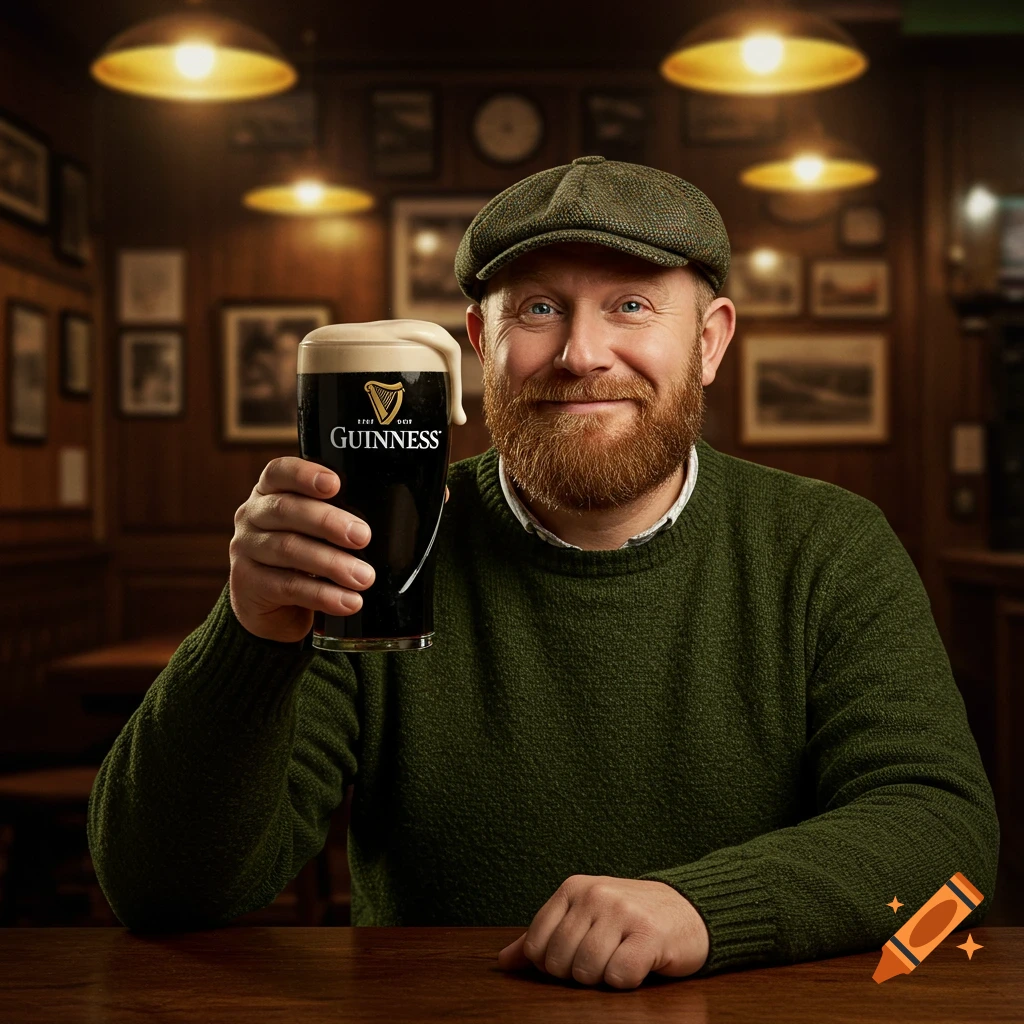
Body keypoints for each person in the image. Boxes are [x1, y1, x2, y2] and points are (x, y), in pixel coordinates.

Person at [87, 156, 999, 990]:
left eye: (632, 306)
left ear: (711, 341)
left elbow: (943, 838)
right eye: (538, 309)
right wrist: (250, 629)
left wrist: (700, 911)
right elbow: (163, 894)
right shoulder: (379, 553)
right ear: (481, 342)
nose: (580, 354)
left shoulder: (827, 543)